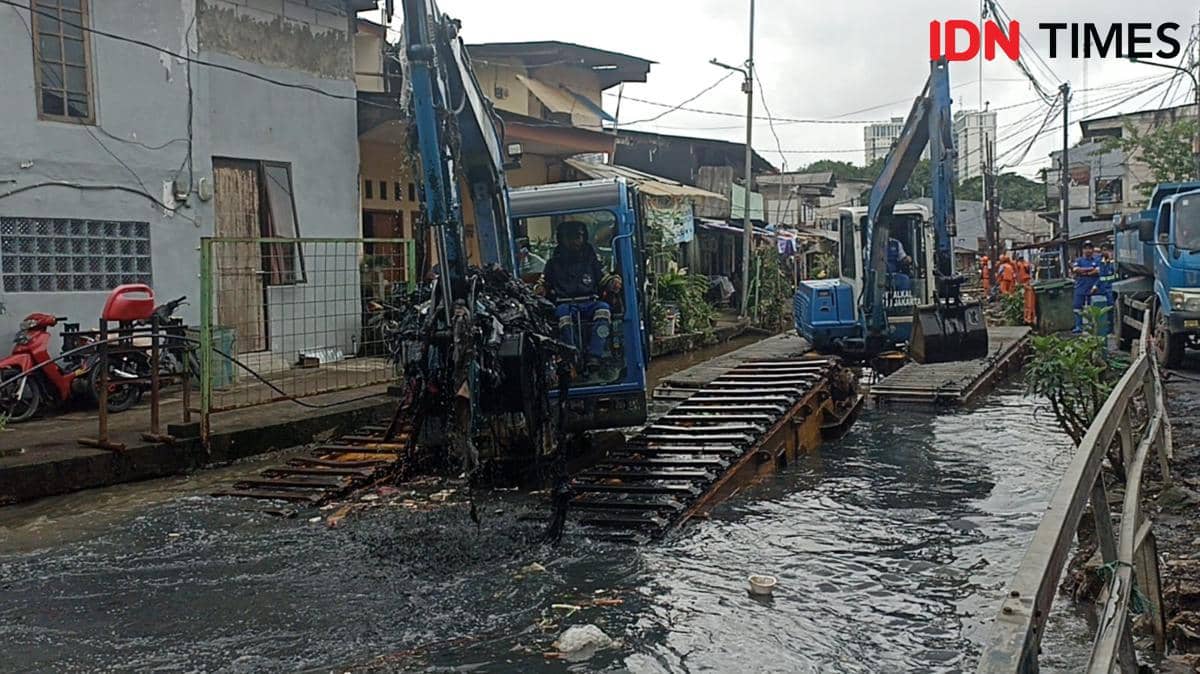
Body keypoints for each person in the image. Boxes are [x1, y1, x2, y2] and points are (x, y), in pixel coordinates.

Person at [543, 220, 617, 367]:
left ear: (584, 238)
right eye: (569, 237)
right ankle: (573, 355)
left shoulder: (591, 259)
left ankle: (594, 356)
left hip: (590, 302)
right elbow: (543, 284)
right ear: (561, 239)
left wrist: (613, 282)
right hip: (565, 304)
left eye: (578, 236)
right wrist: (540, 289)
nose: (574, 241)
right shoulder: (553, 263)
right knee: (563, 316)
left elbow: (604, 278)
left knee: (603, 309)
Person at [1071, 241, 1101, 333]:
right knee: (1077, 307)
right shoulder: (1079, 260)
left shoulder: (1097, 260)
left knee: (1093, 308)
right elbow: (1075, 269)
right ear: (1083, 250)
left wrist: (1084, 272)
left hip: (1093, 287)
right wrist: (1090, 270)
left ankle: (1093, 327)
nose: (1088, 250)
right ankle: (1078, 326)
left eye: (1090, 248)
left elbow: (1098, 271)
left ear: (1092, 250)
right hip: (1081, 287)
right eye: (1086, 248)